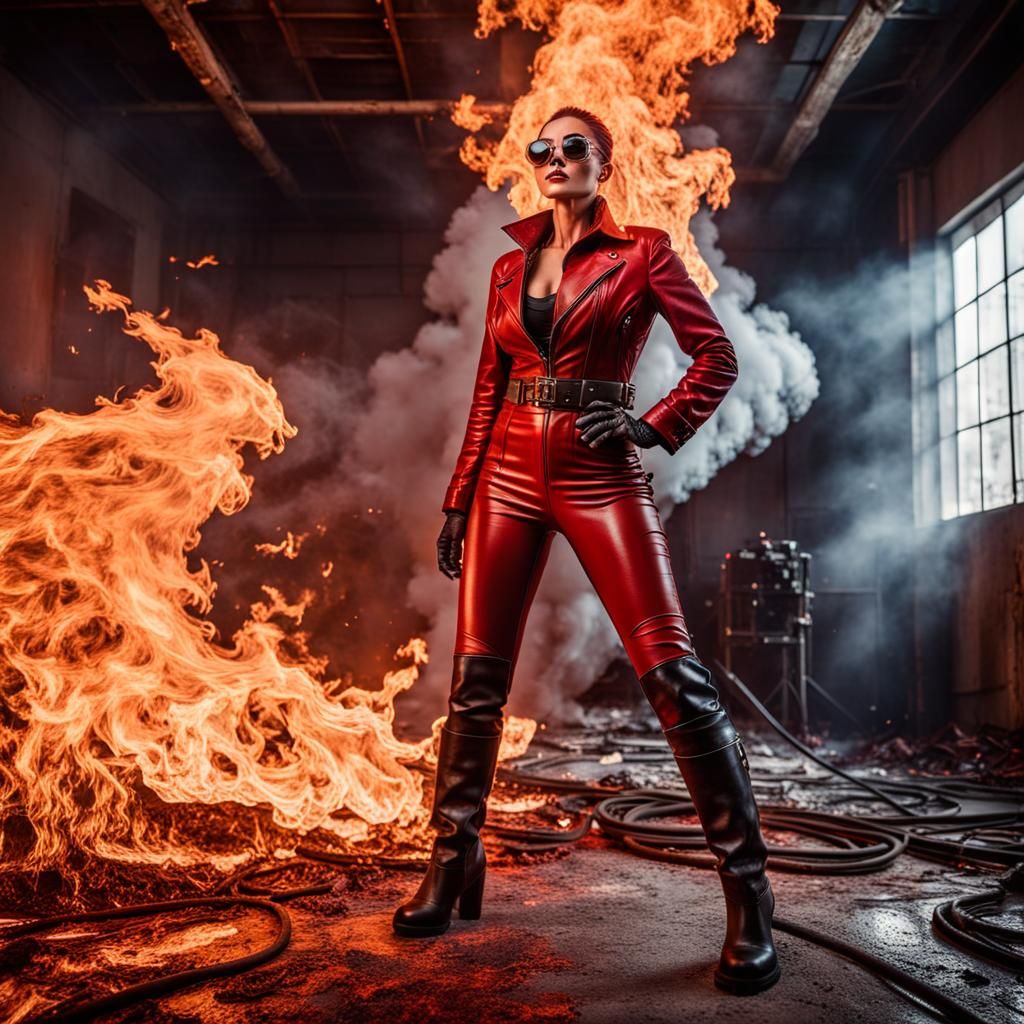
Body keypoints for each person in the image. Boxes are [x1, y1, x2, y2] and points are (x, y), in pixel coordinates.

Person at [392, 105, 780, 995]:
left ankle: (750, 898)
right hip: (507, 475)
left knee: (673, 673)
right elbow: (489, 392)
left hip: (600, 470)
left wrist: (649, 424)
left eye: (575, 147)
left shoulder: (643, 251)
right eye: (544, 148)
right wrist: (459, 499)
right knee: (476, 678)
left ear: (603, 164)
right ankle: (453, 865)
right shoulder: (506, 268)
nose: (556, 158)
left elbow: (713, 356)